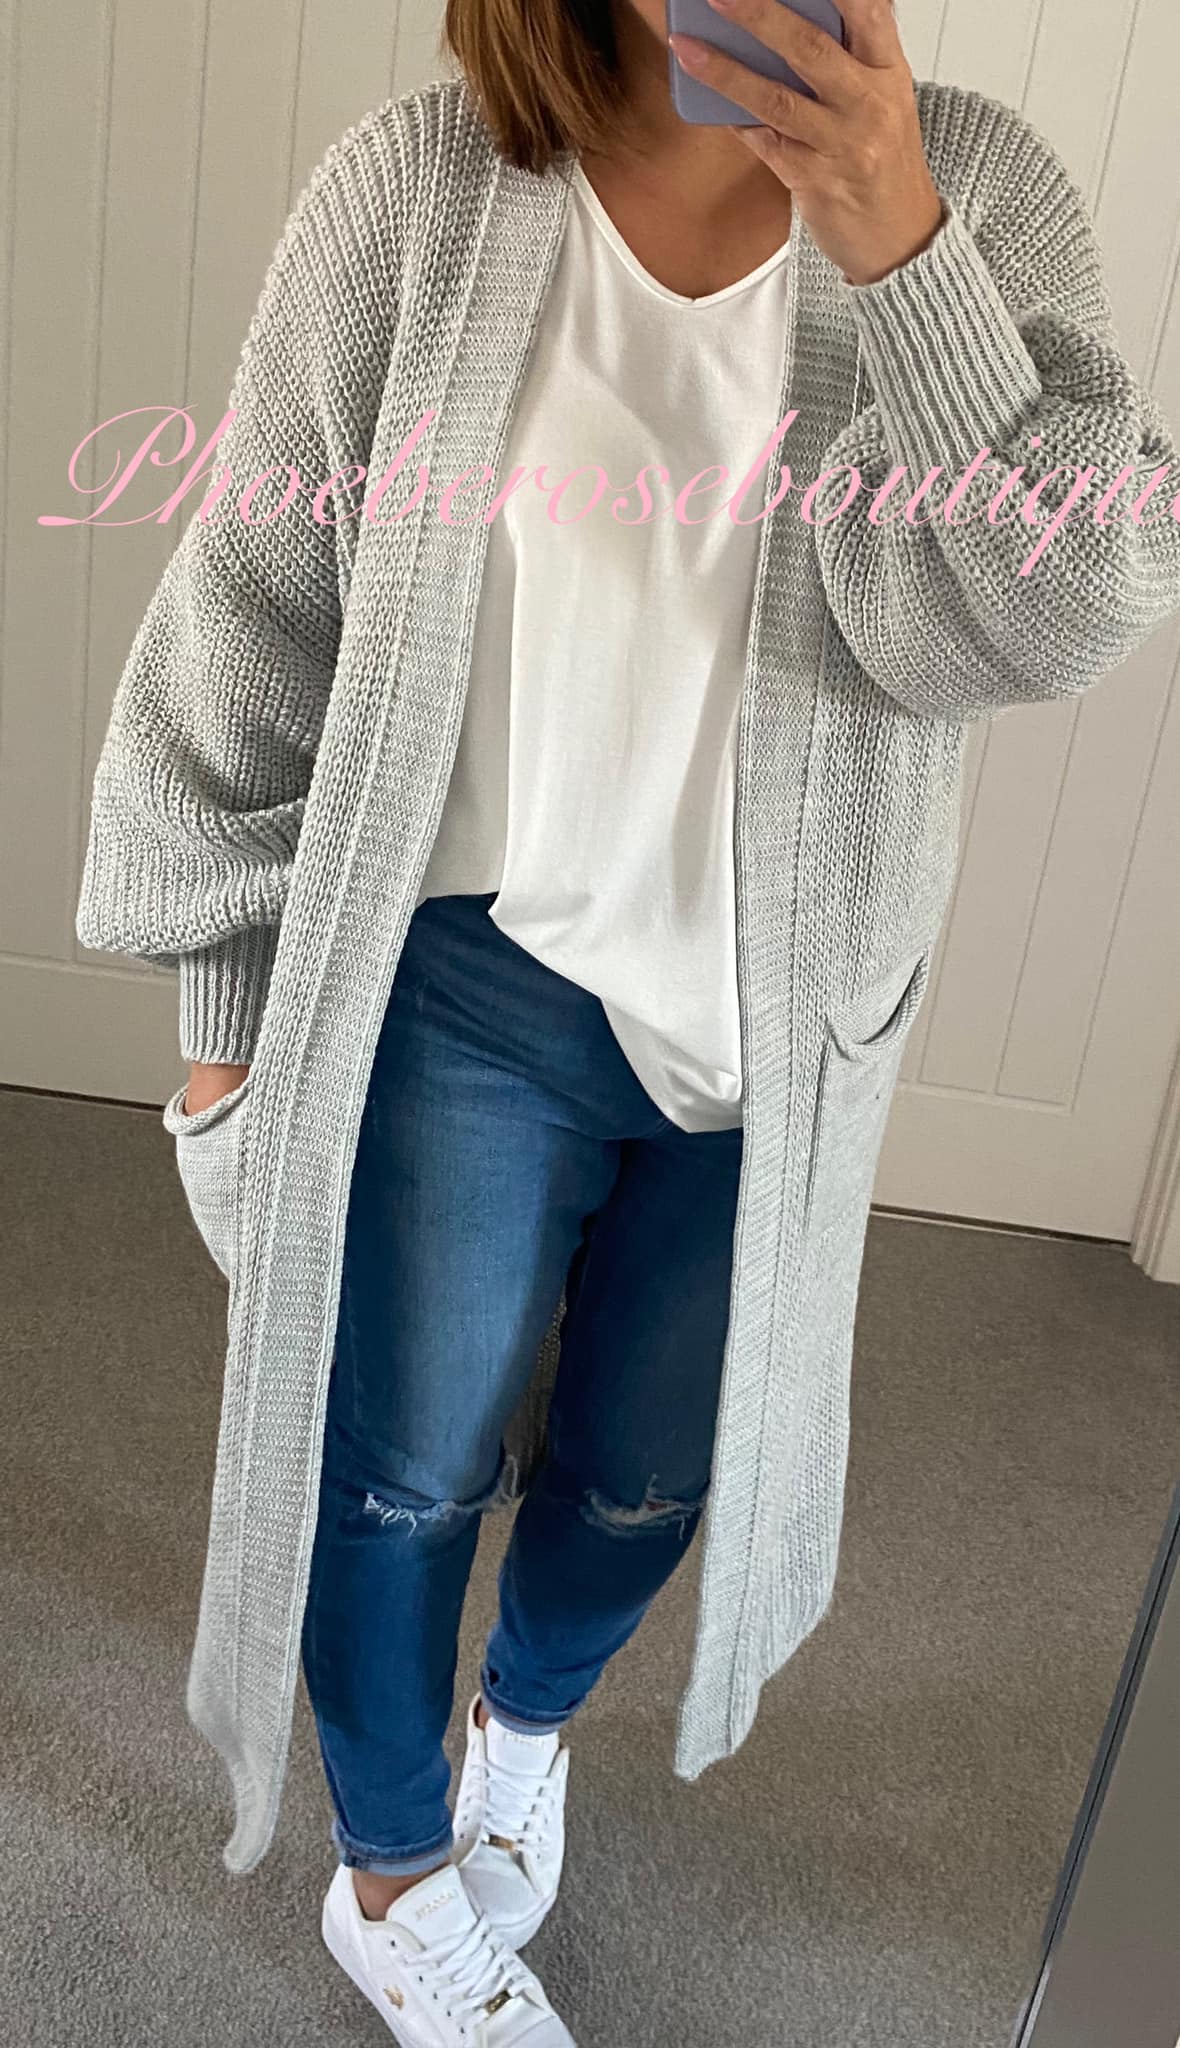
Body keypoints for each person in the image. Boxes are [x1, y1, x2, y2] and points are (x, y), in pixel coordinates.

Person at [76, 0, 1180, 2040]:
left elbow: (1045, 619)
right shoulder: (417, 195)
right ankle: (391, 1873)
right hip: (463, 979)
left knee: (648, 1481)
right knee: (399, 1473)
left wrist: (898, 246)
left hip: (781, 1014)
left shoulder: (980, 195)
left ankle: (522, 1731)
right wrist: (226, 1022)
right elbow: (254, 601)